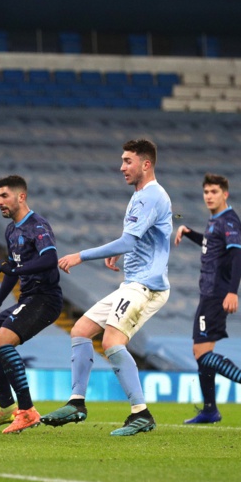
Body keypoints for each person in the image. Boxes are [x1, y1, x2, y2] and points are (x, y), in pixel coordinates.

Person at [40, 139, 172, 436]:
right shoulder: (140, 195)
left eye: (128, 161)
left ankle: (142, 413)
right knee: (81, 330)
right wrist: (122, 250)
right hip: (132, 283)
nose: (122, 167)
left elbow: (129, 240)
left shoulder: (152, 195)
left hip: (146, 286)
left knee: (112, 341)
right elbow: (134, 238)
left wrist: (81, 255)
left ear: (146, 164)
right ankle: (76, 404)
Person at [175, 173, 241, 423]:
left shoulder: (229, 221)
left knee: (201, 351)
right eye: (206, 192)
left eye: (214, 192)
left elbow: (237, 256)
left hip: (216, 294)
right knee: (202, 351)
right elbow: (210, 245)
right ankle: (209, 410)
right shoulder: (215, 220)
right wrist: (188, 231)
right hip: (208, 292)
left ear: (225, 194)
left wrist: (232, 291)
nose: (209, 196)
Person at [0, 175, 63, 434]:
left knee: (1, 342)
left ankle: (27, 410)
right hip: (27, 298)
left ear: (21, 197)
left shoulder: (37, 225)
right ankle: (5, 407)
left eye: (4, 196)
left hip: (45, 298)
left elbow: (50, 259)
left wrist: (16, 266)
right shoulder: (11, 230)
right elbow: (13, 270)